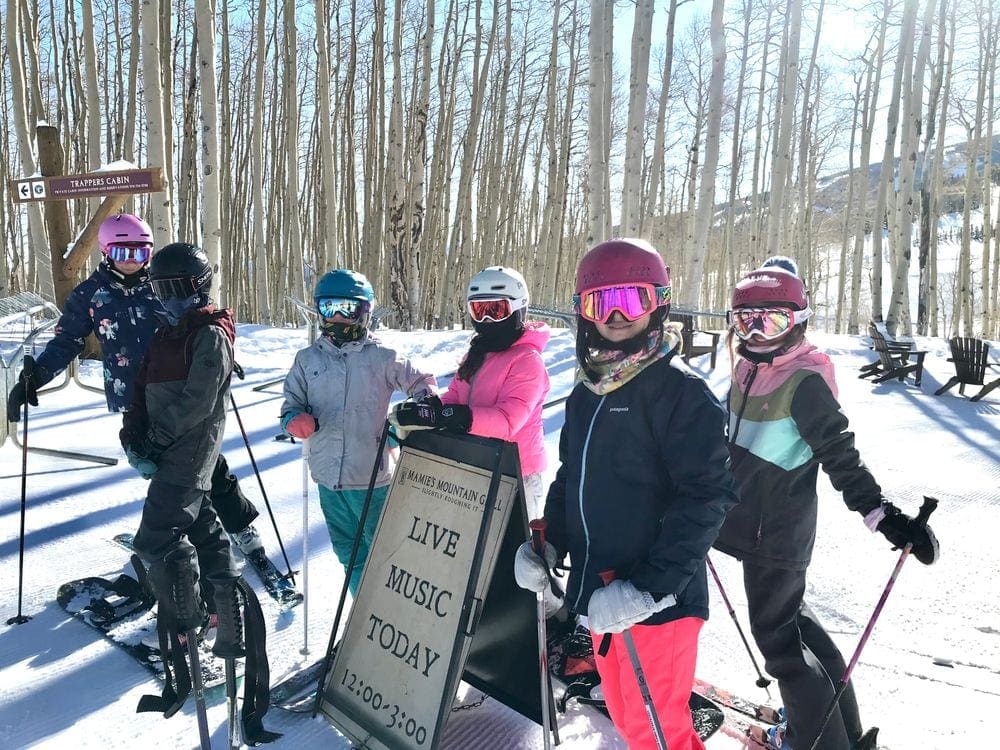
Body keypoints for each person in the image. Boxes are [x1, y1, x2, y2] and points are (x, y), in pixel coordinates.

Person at [514, 238, 739, 750]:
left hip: (657, 605)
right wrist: (549, 544)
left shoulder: (682, 394)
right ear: (582, 312)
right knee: (630, 719)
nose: (616, 315)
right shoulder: (587, 392)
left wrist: (648, 589)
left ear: (658, 303)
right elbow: (572, 478)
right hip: (599, 597)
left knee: (659, 733)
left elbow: (709, 497)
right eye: (601, 302)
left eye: (632, 300)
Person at [712, 258, 940, 750]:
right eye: (746, 320)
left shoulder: (803, 382)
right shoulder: (752, 368)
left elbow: (840, 455)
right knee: (796, 626)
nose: (757, 332)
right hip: (753, 526)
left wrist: (883, 516)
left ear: (798, 320)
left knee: (782, 649)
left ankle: (815, 741)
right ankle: (843, 734)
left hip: (773, 534)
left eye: (770, 320)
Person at [5, 214, 266, 558]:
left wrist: (219, 362)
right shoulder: (90, 295)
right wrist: (36, 376)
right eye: (123, 252)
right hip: (131, 391)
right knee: (160, 462)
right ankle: (186, 528)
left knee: (207, 462)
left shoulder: (160, 285)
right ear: (105, 252)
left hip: (180, 388)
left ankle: (237, 527)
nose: (132, 262)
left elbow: (194, 323)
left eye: (140, 253)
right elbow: (68, 340)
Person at [280, 269, 436, 596]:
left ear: (364, 311)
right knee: (348, 554)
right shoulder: (307, 359)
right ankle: (362, 616)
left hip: (371, 478)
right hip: (326, 477)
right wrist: (293, 418)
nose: (337, 317)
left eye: (346, 309)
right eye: (328, 308)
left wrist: (406, 421)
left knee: (384, 551)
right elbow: (291, 400)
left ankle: (390, 614)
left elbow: (423, 385)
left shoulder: (382, 357)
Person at [120, 242, 243, 655]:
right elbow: (142, 387)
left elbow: (198, 402)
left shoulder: (209, 334)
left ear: (201, 287)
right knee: (203, 528)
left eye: (179, 289)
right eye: (161, 290)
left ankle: (186, 623)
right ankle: (222, 617)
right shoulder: (165, 335)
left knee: (157, 539)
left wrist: (154, 442)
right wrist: (132, 433)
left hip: (189, 452)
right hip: (170, 451)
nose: (170, 300)